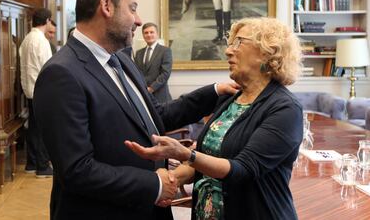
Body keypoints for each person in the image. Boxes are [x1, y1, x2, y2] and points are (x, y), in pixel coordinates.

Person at [33, 0, 238, 220]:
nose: (139, 20)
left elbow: (155, 116)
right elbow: (76, 170)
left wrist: (214, 92)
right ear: (106, 6)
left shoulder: (121, 59)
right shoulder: (61, 73)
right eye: (132, 9)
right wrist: (154, 184)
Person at [126, 17, 304, 219]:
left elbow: (243, 169)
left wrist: (185, 154)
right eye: (230, 44)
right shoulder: (230, 99)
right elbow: (207, 161)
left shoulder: (285, 109)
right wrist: (169, 181)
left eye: (238, 43)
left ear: (267, 53)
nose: (228, 51)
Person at [19, 8, 53, 178]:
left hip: (29, 89)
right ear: (47, 21)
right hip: (41, 89)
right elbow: (48, 68)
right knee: (42, 129)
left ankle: (31, 163)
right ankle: (42, 166)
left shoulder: (27, 39)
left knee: (33, 128)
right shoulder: (41, 40)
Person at [134, 22, 173, 103]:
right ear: (143, 35)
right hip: (144, 96)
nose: (149, 35)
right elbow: (137, 73)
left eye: (152, 32)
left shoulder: (165, 51)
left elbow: (165, 73)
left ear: (157, 34)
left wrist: (151, 88)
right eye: (146, 33)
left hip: (161, 96)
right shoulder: (138, 53)